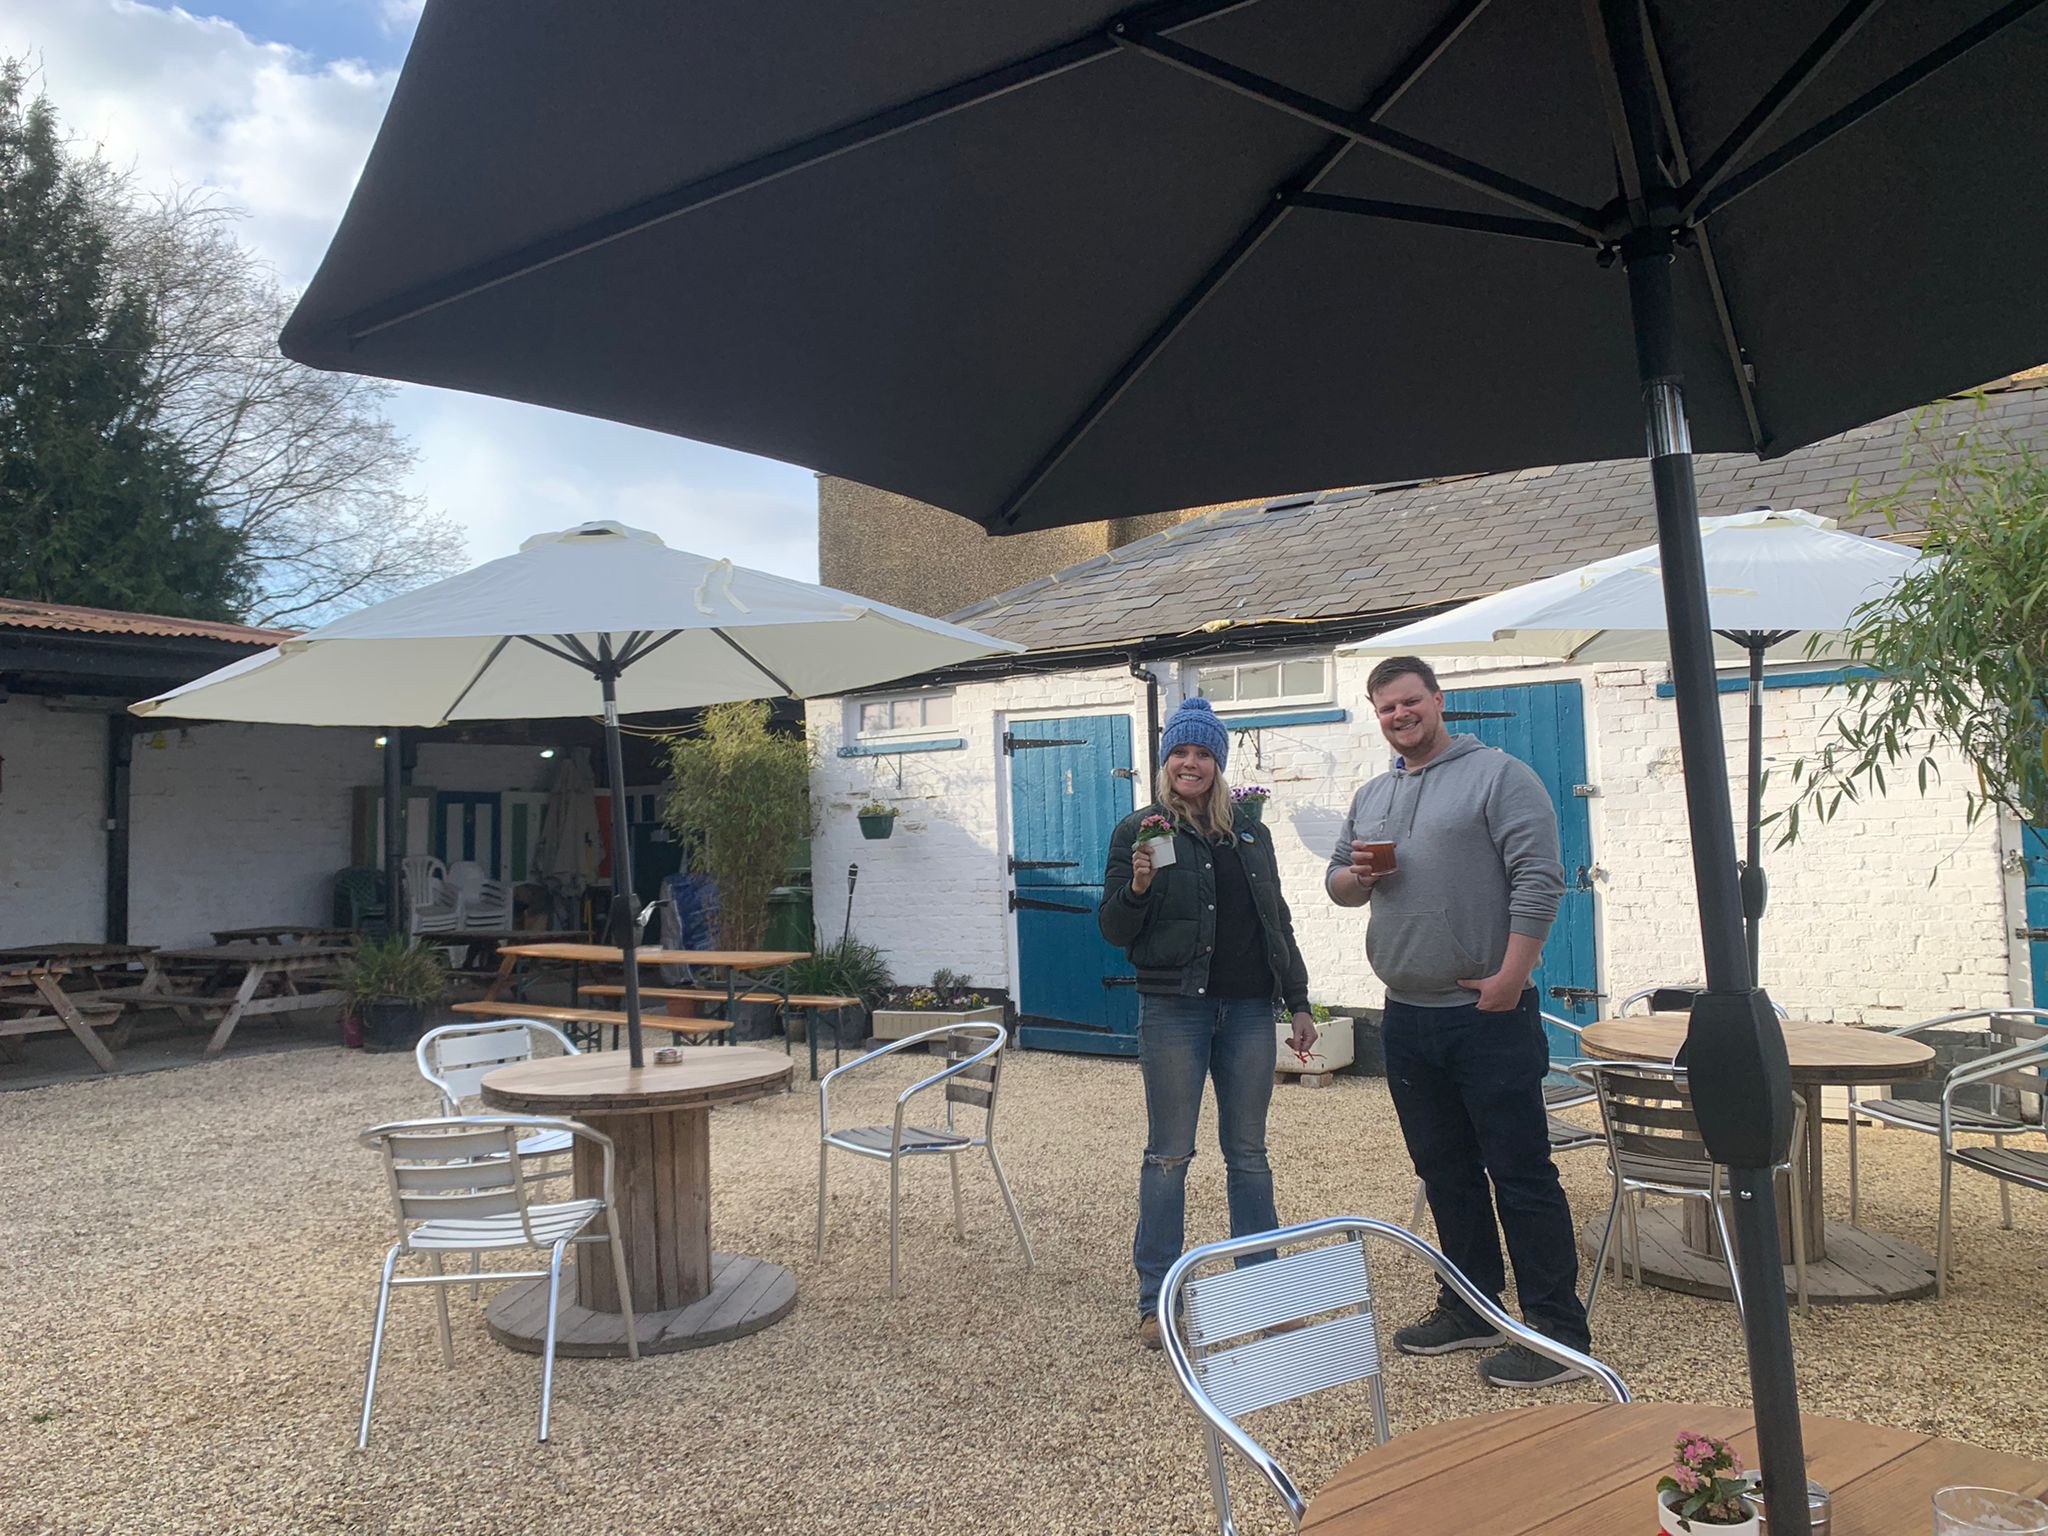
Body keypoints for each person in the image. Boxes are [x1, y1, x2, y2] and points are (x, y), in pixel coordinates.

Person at [1325, 655, 1590, 1387]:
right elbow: (1340, 884)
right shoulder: (1373, 794)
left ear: (1438, 701)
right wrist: (1357, 878)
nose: (1400, 716)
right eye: (1386, 709)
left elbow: (1541, 877)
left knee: (1520, 1173)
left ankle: (1558, 1332)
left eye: (1410, 702)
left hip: (1486, 1013)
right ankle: (1472, 1306)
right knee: (1444, 1171)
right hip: (1406, 1016)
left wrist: (1512, 976)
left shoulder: (1500, 776)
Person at [1100, 696, 1317, 1349]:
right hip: (1174, 1011)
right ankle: (1156, 1301)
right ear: (1166, 761)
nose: (1190, 763)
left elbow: (1276, 923)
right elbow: (1114, 930)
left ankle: (1262, 1294)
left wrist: (1300, 1002)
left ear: (1218, 763)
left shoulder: (1251, 834)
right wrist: (1136, 889)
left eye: (1202, 753)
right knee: (1168, 1154)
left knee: (1248, 1155)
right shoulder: (1141, 830)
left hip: (1249, 1010)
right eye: (1180, 752)